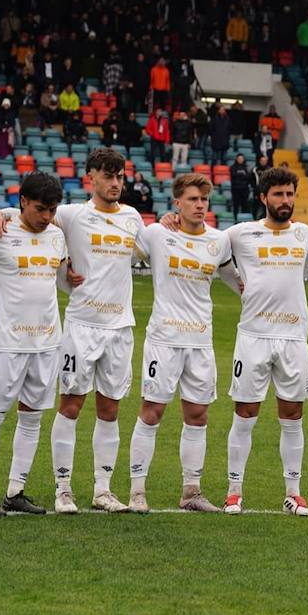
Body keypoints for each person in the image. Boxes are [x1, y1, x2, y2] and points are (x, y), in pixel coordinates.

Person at [0, 148, 147, 514]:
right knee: (71, 404)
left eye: (120, 176)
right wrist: (0, 213)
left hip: (120, 327)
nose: (115, 183)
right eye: (108, 176)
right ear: (91, 177)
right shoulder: (73, 215)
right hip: (81, 326)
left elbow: (151, 243)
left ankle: (102, 490)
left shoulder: (132, 217)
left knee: (110, 408)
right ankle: (63, 489)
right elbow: (30, 215)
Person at [131, 173, 237, 513]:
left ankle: (191, 491)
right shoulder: (157, 234)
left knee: (198, 415)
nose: (199, 205)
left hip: (200, 342)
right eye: (192, 199)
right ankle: (137, 492)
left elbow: (237, 280)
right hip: (163, 339)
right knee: (152, 412)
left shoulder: (219, 242)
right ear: (177, 202)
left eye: (204, 200)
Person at [219, 167, 308, 515]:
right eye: (278, 194)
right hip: (253, 337)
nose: (285, 201)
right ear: (263, 198)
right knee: (245, 412)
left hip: (293, 338)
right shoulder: (240, 234)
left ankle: (293, 492)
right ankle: (234, 492)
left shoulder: (305, 235)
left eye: (290, 194)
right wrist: (239, 285)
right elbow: (211, 251)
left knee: (293, 415)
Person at [0, 171, 68, 517]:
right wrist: (0, 213)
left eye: (52, 210)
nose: (46, 217)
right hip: (8, 343)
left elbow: (64, 281)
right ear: (23, 201)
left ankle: (16, 490)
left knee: (32, 417)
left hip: (47, 343)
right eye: (40, 209)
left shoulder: (57, 236)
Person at [229, 153, 251, 217]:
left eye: (241, 159)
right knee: (236, 205)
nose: (240, 160)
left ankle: (243, 220)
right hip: (235, 189)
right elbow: (233, 176)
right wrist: (243, 175)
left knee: (244, 205)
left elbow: (248, 177)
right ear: (236, 159)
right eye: (239, 159)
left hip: (245, 189)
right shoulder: (232, 167)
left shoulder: (247, 167)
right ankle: (235, 219)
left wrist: (239, 175)